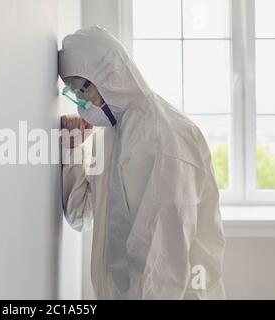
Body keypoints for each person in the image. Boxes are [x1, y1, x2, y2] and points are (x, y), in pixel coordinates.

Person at [59, 26, 226, 299]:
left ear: (108, 76)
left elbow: (161, 269)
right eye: (73, 93)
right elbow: (81, 215)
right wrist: (73, 150)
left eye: (82, 92)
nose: (80, 104)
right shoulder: (113, 132)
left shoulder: (165, 138)